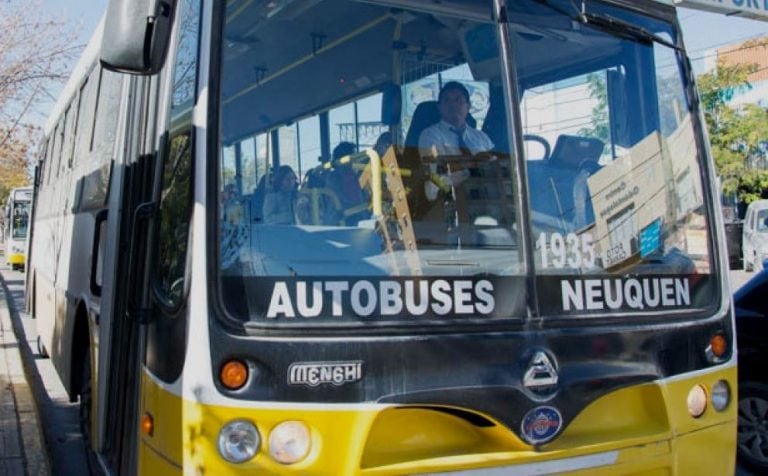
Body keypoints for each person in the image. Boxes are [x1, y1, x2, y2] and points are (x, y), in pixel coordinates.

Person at [418, 81, 494, 202]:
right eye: (447, 100)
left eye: (458, 100)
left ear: (468, 106)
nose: (453, 105)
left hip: (489, 201)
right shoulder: (430, 135)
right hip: (448, 202)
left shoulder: (482, 138)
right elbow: (437, 177)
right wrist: (472, 168)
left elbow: (497, 169)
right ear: (439, 107)